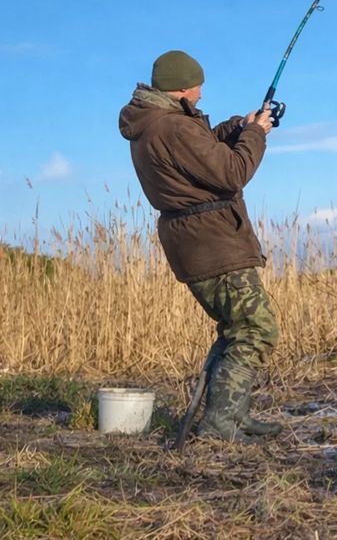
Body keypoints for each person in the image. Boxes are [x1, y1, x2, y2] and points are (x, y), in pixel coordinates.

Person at [118, 49, 282, 443]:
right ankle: (220, 424)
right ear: (180, 89)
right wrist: (257, 134)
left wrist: (241, 125)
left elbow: (203, 150)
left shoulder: (156, 123)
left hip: (196, 242)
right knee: (256, 329)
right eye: (197, 87)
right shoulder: (173, 127)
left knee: (235, 328)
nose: (201, 95)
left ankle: (232, 417)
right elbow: (231, 172)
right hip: (212, 242)